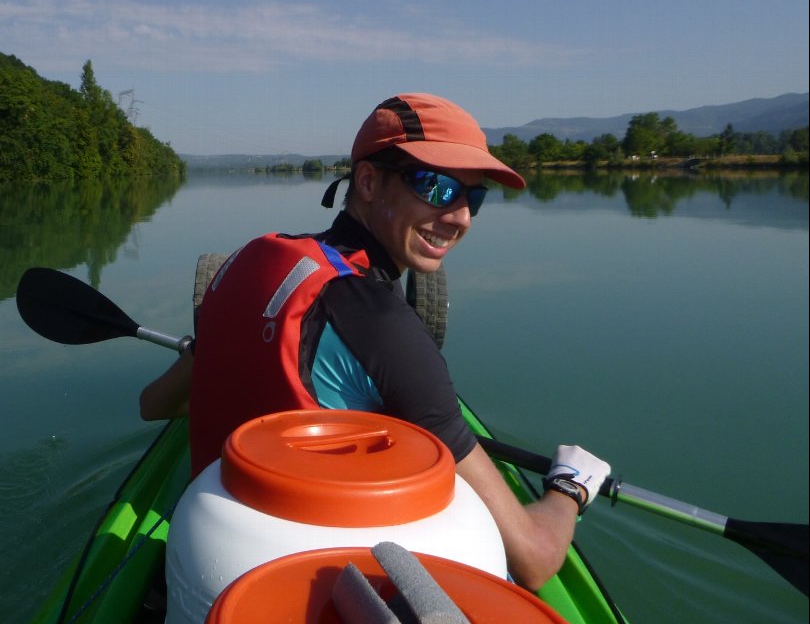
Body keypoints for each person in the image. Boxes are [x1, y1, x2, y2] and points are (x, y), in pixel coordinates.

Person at [140, 93, 610, 591]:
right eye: (437, 186)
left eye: (473, 198)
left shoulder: (250, 260)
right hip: (304, 581)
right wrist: (567, 489)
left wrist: (207, 353)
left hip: (202, 553)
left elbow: (154, 405)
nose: (460, 218)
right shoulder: (388, 331)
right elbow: (534, 558)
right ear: (367, 181)